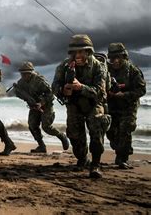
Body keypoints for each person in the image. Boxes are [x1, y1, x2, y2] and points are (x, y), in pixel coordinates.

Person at [52, 34, 110, 178]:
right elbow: (54, 86)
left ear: (88, 51)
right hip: (74, 104)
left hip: (93, 103)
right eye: (74, 52)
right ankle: (82, 159)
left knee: (97, 129)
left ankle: (95, 165)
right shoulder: (64, 66)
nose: (77, 55)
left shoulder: (98, 67)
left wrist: (81, 87)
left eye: (81, 51)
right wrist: (62, 90)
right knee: (74, 135)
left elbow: (100, 93)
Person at [106, 43, 146, 169]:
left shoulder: (133, 70)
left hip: (128, 106)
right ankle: (119, 149)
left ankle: (122, 158)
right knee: (111, 132)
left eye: (119, 57)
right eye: (113, 58)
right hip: (112, 105)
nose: (116, 61)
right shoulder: (106, 70)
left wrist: (123, 94)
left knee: (125, 129)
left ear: (124, 56)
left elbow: (141, 90)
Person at [14, 61, 69, 153]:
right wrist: (22, 95)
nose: (24, 76)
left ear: (30, 73)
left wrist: (41, 103)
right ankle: (41, 146)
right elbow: (19, 94)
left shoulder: (39, 80)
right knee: (32, 125)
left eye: (26, 74)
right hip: (34, 106)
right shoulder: (21, 82)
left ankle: (61, 136)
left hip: (46, 105)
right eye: (22, 74)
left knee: (46, 127)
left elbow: (51, 93)